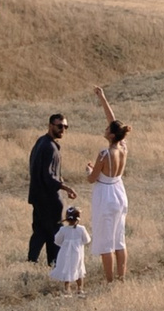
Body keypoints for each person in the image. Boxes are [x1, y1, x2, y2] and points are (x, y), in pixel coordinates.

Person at [88, 86, 130, 283]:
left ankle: (109, 280)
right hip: (119, 191)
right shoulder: (123, 147)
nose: (105, 129)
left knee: (105, 241)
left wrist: (89, 170)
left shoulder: (104, 154)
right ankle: (121, 277)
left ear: (112, 135)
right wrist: (102, 98)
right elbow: (112, 120)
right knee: (119, 238)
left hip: (105, 195)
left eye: (107, 130)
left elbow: (92, 178)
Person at [26, 111, 70, 266]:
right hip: (49, 198)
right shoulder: (50, 147)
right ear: (50, 125)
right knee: (55, 232)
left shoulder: (41, 142)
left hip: (38, 196)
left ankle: (32, 262)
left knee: (40, 231)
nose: (62, 130)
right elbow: (48, 175)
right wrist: (64, 187)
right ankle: (54, 263)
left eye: (65, 126)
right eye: (59, 126)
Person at [48, 204, 91, 295]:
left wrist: (65, 245)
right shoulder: (81, 229)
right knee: (79, 270)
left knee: (67, 270)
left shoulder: (63, 229)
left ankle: (67, 289)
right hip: (78, 255)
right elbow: (87, 240)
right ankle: (80, 289)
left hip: (65, 254)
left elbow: (57, 240)